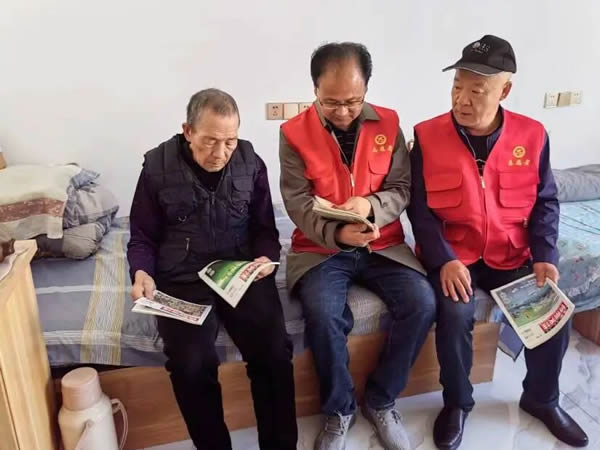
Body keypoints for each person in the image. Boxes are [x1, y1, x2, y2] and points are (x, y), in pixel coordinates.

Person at [408, 35, 589, 449]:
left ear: (504, 91)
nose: (462, 99)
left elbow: (546, 202)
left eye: (477, 91)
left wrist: (544, 255)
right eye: (457, 87)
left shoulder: (533, 135)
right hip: (457, 256)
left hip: (512, 253)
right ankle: (457, 403)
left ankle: (542, 399)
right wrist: (443, 259)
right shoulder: (427, 136)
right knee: (454, 314)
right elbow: (419, 210)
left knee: (554, 314)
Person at [280, 42, 436, 450]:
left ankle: (381, 400)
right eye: (331, 102)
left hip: (383, 244)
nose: (344, 111)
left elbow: (401, 188)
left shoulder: (389, 123)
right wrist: (337, 235)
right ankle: (339, 410)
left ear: (366, 88)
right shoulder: (293, 133)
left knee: (422, 302)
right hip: (320, 248)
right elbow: (296, 203)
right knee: (322, 313)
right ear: (314, 89)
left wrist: (370, 206)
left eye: (353, 101)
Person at [127, 88, 297, 450]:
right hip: (181, 275)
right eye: (209, 141)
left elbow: (265, 229)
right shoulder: (157, 166)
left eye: (229, 142)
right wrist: (141, 272)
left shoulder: (251, 162)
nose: (220, 153)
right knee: (190, 363)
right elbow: (141, 236)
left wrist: (265, 257)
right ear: (188, 131)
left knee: (274, 350)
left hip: (239, 267)